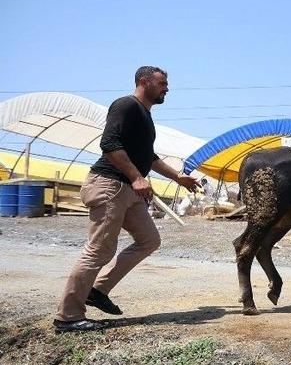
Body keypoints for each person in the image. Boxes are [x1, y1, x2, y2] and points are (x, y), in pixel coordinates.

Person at [53, 66, 201, 333]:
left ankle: (97, 290)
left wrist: (178, 178)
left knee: (149, 240)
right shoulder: (126, 105)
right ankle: (68, 317)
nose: (167, 88)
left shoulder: (144, 114)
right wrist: (136, 177)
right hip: (110, 185)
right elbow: (109, 144)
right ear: (144, 82)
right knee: (99, 250)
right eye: (162, 83)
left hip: (129, 190)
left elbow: (149, 157)